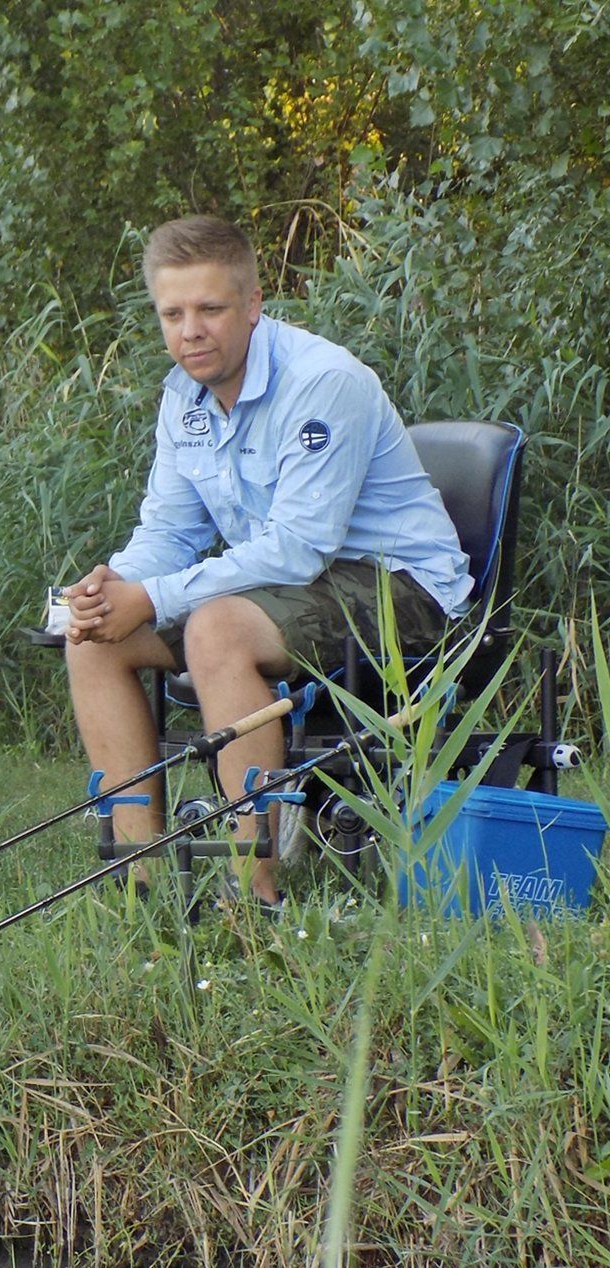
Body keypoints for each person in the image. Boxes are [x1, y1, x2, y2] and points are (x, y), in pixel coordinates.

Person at [64, 215, 473, 905]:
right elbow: (168, 529)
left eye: (210, 309)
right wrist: (113, 587)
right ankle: (140, 883)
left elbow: (298, 546)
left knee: (216, 628)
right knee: (98, 640)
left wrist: (158, 597)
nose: (190, 330)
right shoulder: (182, 397)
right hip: (292, 587)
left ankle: (253, 892)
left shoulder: (322, 382)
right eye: (173, 313)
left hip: (403, 587)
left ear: (253, 306)